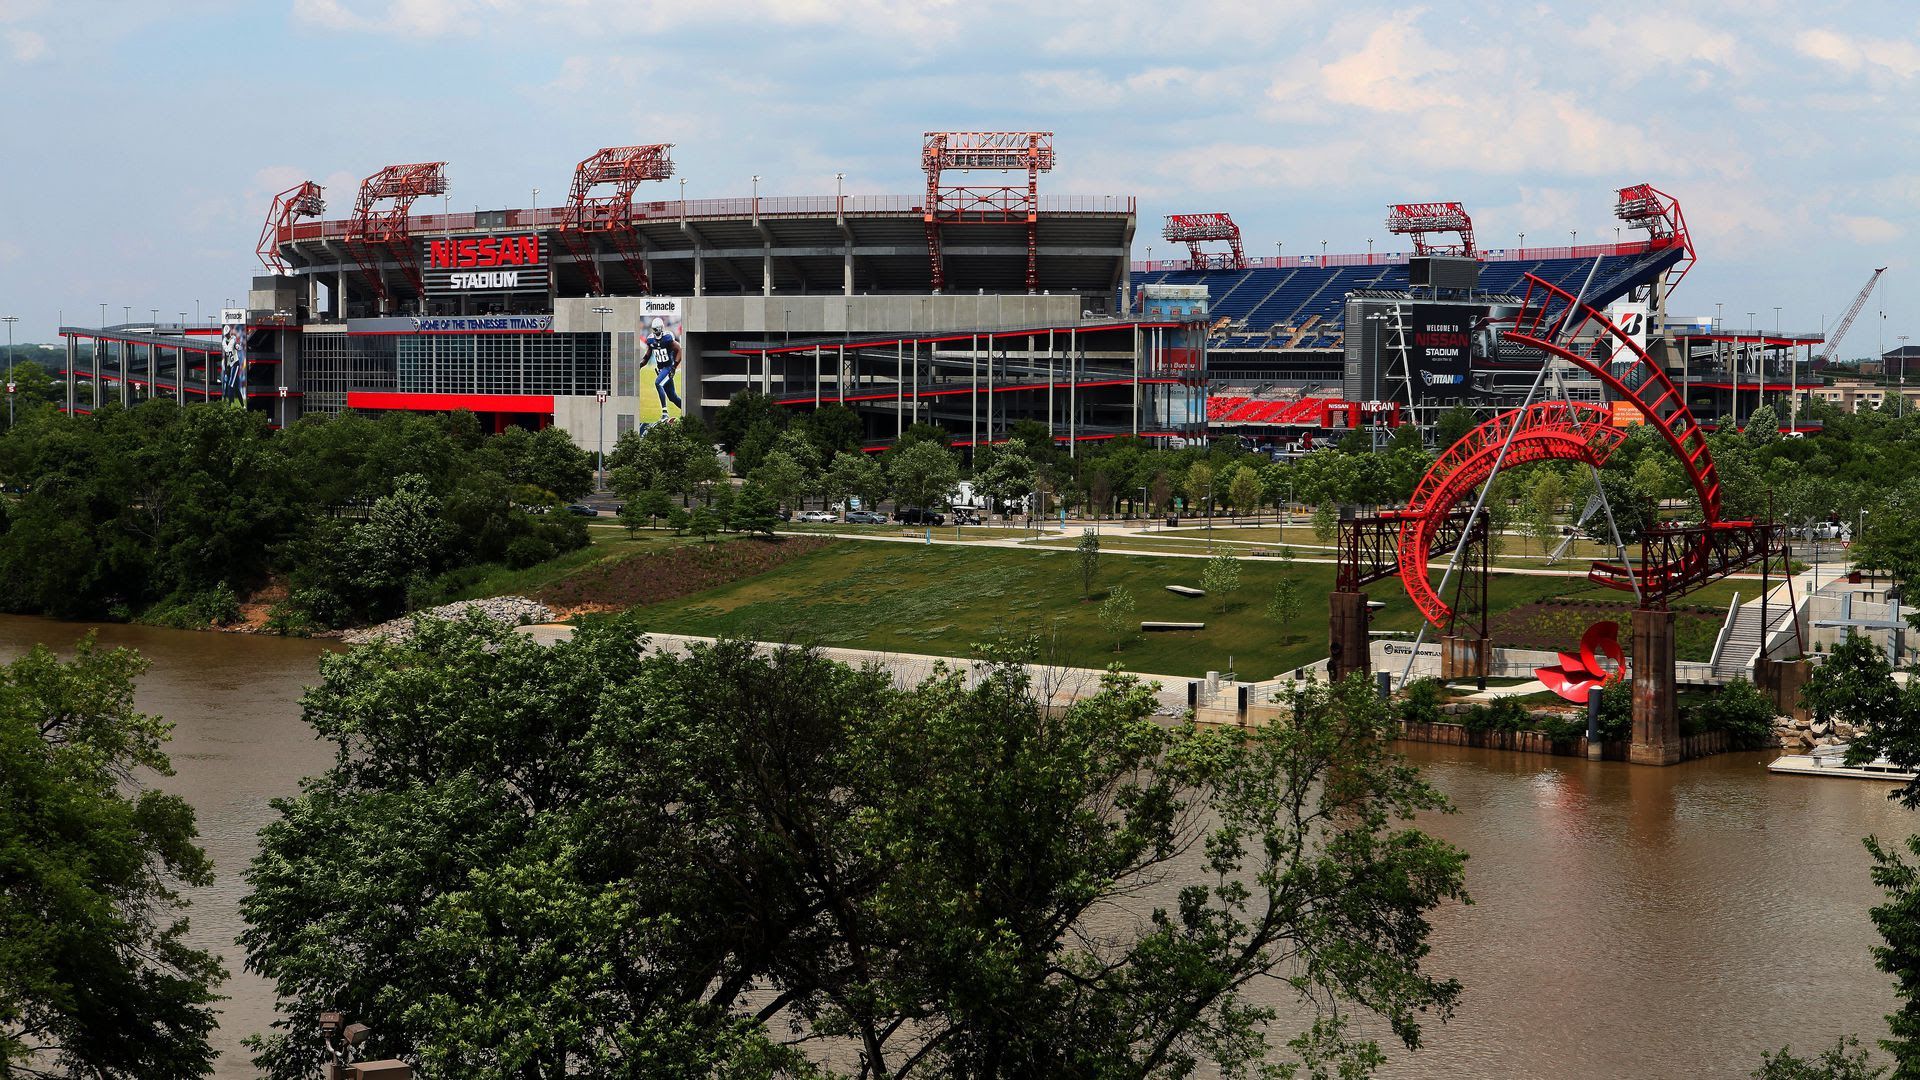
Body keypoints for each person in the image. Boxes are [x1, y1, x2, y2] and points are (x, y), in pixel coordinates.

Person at [644, 317, 683, 415]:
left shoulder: (668, 338)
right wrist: (639, 365)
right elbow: (646, 357)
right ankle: (688, 409)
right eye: (655, 329)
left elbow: (680, 350)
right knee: (672, 397)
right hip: (661, 369)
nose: (656, 331)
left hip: (669, 368)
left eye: (657, 329)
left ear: (662, 328)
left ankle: (664, 413)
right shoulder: (650, 340)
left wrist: (674, 366)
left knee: (658, 383)